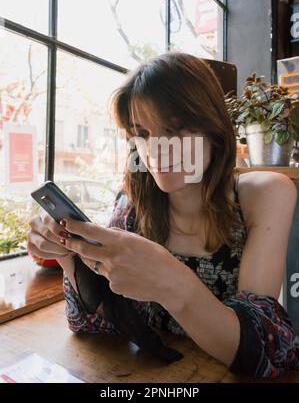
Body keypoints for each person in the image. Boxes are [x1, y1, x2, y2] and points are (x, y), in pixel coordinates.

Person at [27, 52, 299, 378]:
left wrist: (172, 282)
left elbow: (265, 350)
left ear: (213, 127)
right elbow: (98, 323)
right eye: (141, 133)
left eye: (176, 127)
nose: (156, 148)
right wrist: (68, 254)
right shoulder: (133, 202)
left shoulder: (264, 193)